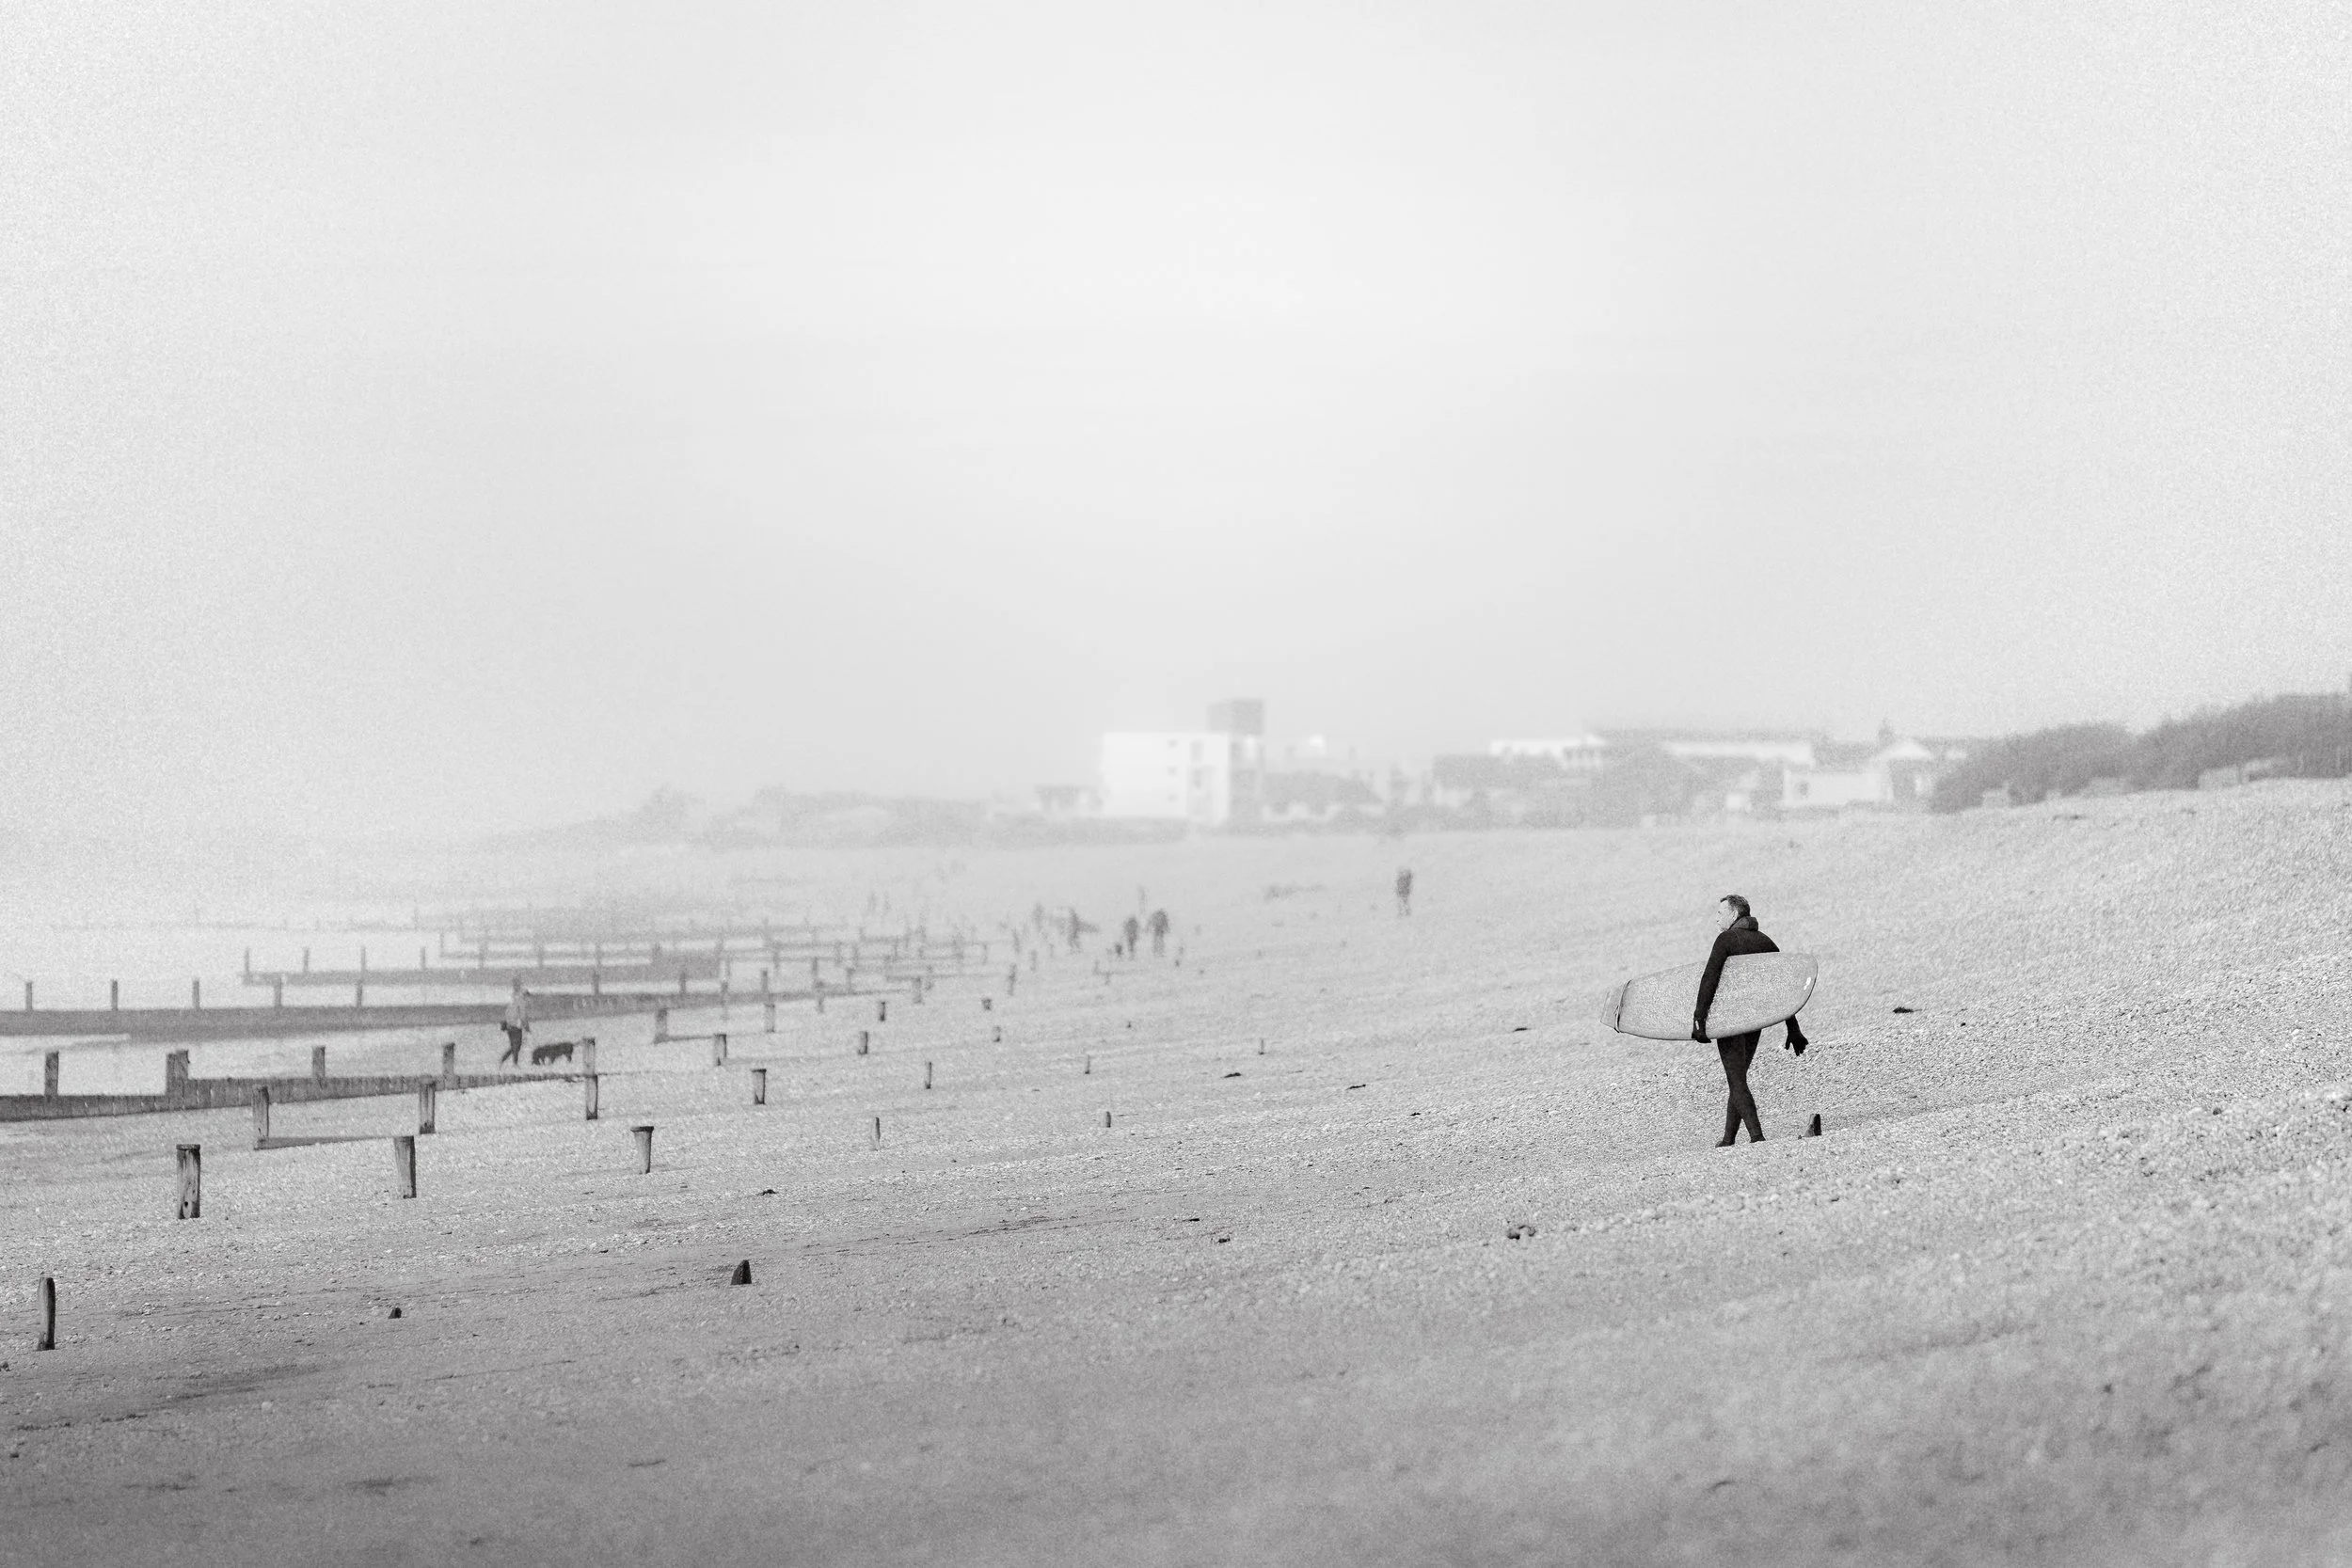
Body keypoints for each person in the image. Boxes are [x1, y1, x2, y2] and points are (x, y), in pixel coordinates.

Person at [1692, 894, 1809, 1146]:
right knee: (1739, 1079)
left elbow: (1709, 978)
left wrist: (1699, 1019)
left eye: (1721, 913)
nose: (1716, 918)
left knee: (1736, 1080)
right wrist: (1793, 1028)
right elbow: (1783, 989)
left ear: (1734, 915)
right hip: (1754, 1022)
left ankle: (1757, 1137)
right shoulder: (1766, 942)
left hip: (1730, 1020)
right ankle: (1728, 1139)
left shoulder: (1726, 940)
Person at [498, 981, 531, 1068]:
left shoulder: (513, 1002)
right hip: (516, 1026)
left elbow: (507, 1013)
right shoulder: (522, 1003)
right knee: (517, 1045)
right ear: (525, 996)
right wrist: (527, 1028)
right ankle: (514, 1063)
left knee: (513, 1045)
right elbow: (523, 1017)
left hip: (509, 1026)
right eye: (528, 996)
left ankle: (504, 1060)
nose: (528, 999)